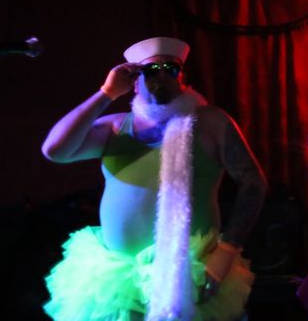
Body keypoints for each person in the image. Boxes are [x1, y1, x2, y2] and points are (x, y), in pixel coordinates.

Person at [41, 36, 267, 321]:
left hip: (192, 274)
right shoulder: (115, 127)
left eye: (170, 68)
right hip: (117, 282)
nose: (160, 75)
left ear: (182, 77)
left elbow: (253, 182)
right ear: (134, 82)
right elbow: (55, 150)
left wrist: (227, 251)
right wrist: (107, 93)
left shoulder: (210, 122)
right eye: (150, 70)